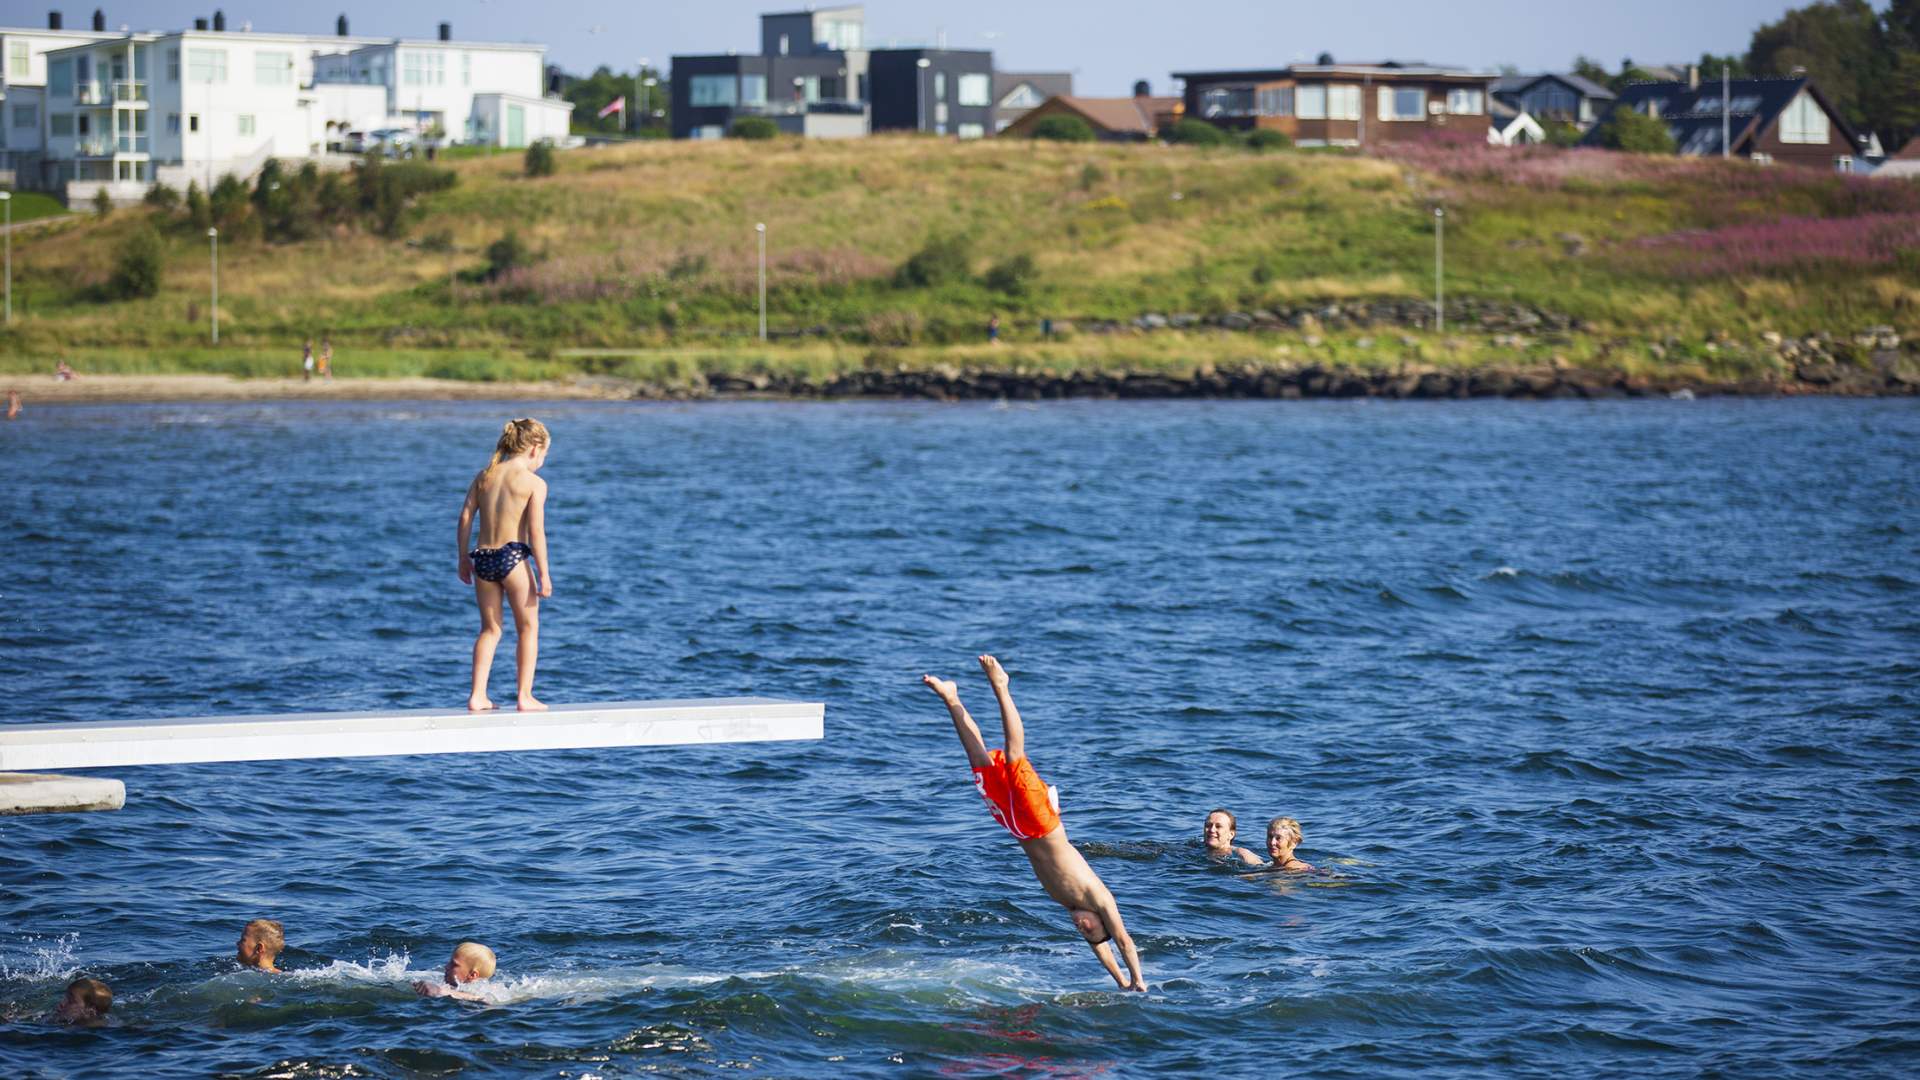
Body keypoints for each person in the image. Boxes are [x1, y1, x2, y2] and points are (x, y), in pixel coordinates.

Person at [923, 655, 1146, 992]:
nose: (1082, 928)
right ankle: (1001, 685)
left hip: (1015, 826)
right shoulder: (1100, 899)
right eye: (1090, 929)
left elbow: (1100, 948)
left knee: (980, 763)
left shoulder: (1068, 903)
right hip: (1042, 823)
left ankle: (951, 697)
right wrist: (1137, 980)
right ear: (1102, 923)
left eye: (1083, 933)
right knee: (1015, 758)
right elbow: (1123, 942)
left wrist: (1119, 983)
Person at [457, 418, 553, 712]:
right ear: (535, 448)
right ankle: (524, 696)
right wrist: (544, 574)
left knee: (490, 630)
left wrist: (463, 558)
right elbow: (536, 532)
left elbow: (465, 518)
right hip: (513, 559)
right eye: (545, 454)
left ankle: (477, 695)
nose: (543, 461)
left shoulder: (484, 476)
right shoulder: (534, 483)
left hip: (483, 558)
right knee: (528, 628)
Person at [413, 941, 496, 1001]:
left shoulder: (482, 991)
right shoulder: (451, 985)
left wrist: (440, 991)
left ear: (472, 975)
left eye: (454, 965)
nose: (446, 967)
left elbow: (483, 999)